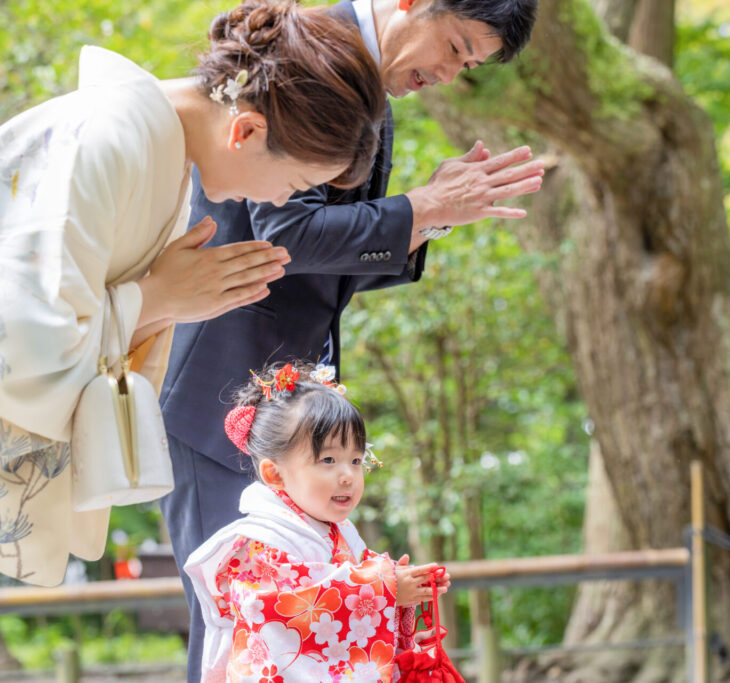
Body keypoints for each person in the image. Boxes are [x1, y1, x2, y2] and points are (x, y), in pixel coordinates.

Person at [159, 0, 538, 676]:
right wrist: (418, 209)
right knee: (240, 626)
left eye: (469, 65)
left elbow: (319, 271)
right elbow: (287, 234)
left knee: (314, 630)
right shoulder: (310, 53)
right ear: (413, 4)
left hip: (295, 408)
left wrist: (427, 220)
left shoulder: (370, 85)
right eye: (454, 47)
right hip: (223, 402)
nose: (450, 73)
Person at [0, 0, 385, 586]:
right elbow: (22, 346)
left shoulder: (160, 152)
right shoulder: (111, 137)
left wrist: (163, 301)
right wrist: (159, 300)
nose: (282, 203)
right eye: (298, 184)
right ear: (247, 130)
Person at [185, 362, 449, 682]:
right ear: (275, 474)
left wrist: (400, 594)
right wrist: (385, 589)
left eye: (356, 460)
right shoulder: (258, 543)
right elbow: (277, 610)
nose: (348, 476)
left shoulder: (339, 532)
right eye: (328, 460)